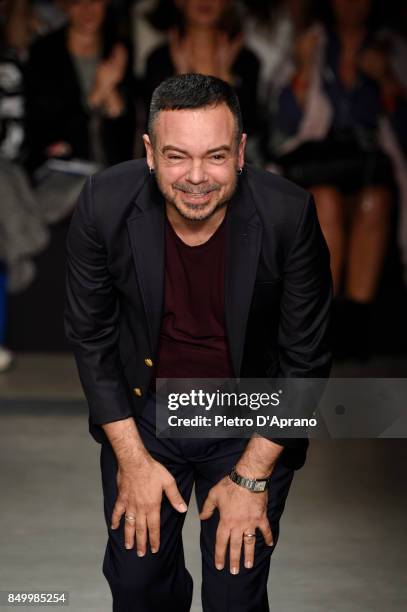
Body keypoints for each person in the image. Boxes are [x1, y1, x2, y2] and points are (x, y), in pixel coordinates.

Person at [64, 73, 332, 611]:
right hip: (147, 413)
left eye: (214, 156)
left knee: (234, 593)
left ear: (240, 151)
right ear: (149, 153)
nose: (195, 178)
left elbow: (306, 360)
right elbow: (91, 340)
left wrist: (252, 478)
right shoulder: (102, 204)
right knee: (139, 587)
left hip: (249, 417)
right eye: (176, 156)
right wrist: (133, 465)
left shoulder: (288, 213)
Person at [265, 0, 407, 358]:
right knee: (323, 201)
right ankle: (323, 325)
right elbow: (283, 126)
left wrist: (387, 80)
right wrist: (301, 69)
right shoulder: (310, 43)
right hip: (317, 164)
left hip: (371, 164)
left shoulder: (392, 48)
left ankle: (355, 329)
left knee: (376, 202)